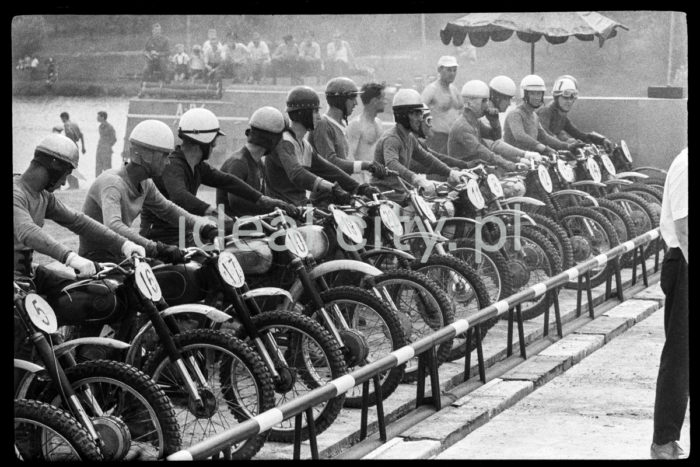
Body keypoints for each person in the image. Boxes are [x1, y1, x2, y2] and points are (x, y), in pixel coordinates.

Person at [13, 134, 144, 378]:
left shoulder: (43, 196)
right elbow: (27, 231)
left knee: (102, 293)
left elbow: (79, 221)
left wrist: (124, 243)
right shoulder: (17, 193)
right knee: (25, 340)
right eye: (65, 175)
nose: (64, 183)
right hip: (16, 282)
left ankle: (83, 367)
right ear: (54, 168)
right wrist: (71, 257)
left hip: (29, 274)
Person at [139, 108, 295, 247]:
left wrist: (264, 200)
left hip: (184, 235)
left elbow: (227, 181)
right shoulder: (173, 165)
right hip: (159, 239)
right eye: (213, 142)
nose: (214, 147)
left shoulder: (198, 166)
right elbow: (179, 195)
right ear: (204, 141)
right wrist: (213, 212)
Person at [79, 119, 217, 263]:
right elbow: (113, 225)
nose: (168, 161)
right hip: (97, 259)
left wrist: (203, 227)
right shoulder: (112, 183)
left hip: (122, 254)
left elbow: (168, 209)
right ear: (146, 155)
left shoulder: (145, 183)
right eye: (164, 155)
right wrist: (155, 247)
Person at [264, 85, 376, 207]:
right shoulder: (284, 142)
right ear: (303, 113)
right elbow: (297, 174)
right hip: (280, 212)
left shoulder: (304, 145)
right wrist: (331, 187)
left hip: (299, 209)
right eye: (315, 111)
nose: (319, 116)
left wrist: (359, 188)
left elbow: (329, 170)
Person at [650, 147, 688, 460]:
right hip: (686, 264)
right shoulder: (687, 164)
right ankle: (663, 440)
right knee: (680, 356)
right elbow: (684, 227)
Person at [372, 88, 467, 202]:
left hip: (400, 193)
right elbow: (392, 163)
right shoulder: (392, 139)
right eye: (416, 114)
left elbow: (427, 159)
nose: (420, 118)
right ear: (404, 115)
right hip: (384, 195)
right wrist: (416, 178)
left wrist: (451, 172)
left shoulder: (409, 138)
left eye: (420, 114)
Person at [447, 80, 540, 173]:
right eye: (483, 101)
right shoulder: (463, 126)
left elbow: (495, 137)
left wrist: (494, 122)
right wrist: (512, 162)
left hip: (475, 169)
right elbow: (482, 151)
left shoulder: (475, 122)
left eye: (486, 101)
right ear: (470, 102)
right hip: (464, 173)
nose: (486, 105)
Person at [217, 106, 290, 218]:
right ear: (272, 140)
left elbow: (264, 198)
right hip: (233, 232)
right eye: (281, 138)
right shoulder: (238, 163)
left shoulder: (258, 163)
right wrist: (275, 208)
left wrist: (288, 206)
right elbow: (236, 203)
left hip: (254, 229)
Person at [310, 77, 386, 181]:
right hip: (326, 194)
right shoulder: (323, 124)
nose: (356, 103)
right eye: (352, 98)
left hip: (343, 192)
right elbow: (330, 162)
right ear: (340, 99)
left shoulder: (341, 125)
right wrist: (364, 165)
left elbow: (347, 160)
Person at [503, 74, 585, 155]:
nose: (536, 97)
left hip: (530, 161)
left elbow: (544, 137)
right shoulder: (515, 114)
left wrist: (567, 146)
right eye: (532, 93)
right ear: (524, 94)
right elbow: (520, 136)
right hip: (512, 162)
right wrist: (543, 148)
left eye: (539, 93)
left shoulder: (534, 116)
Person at [536, 75, 614, 152]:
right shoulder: (546, 111)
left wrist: (601, 140)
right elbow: (544, 137)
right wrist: (567, 144)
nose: (569, 101)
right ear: (556, 97)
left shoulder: (561, 115)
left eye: (572, 98)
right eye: (565, 97)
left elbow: (579, 134)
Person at [420, 55, 463, 154]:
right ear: (440, 70)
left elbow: (463, 110)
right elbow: (419, 110)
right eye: (449, 70)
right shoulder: (432, 89)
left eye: (454, 70)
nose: (452, 73)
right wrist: (426, 129)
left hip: (453, 139)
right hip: (437, 138)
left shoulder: (454, 90)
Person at [347, 81, 388, 184]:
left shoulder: (379, 123)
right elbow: (349, 158)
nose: (386, 102)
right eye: (383, 98)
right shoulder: (356, 125)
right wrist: (360, 185)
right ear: (374, 101)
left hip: (377, 180)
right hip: (362, 181)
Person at [60, 112, 86, 189]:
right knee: (73, 166)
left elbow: (70, 134)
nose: (62, 120)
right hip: (76, 147)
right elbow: (81, 135)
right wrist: (83, 147)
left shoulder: (66, 125)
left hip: (70, 147)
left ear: (64, 117)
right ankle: (75, 185)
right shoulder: (74, 124)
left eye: (62, 118)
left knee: (67, 166)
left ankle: (73, 185)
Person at [95, 111, 117, 177]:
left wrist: (107, 146)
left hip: (106, 150)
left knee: (107, 168)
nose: (97, 118)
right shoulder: (100, 126)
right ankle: (98, 183)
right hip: (100, 149)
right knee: (98, 167)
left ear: (103, 117)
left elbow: (114, 139)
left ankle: (108, 183)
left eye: (98, 116)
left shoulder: (109, 127)